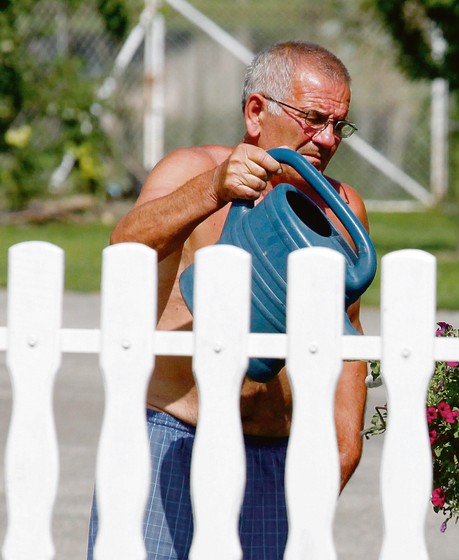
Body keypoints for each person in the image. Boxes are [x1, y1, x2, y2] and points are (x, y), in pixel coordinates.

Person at [87, 40, 369, 559]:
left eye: (338, 125)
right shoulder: (191, 168)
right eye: (313, 119)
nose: (327, 140)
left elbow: (347, 336)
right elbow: (125, 248)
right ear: (257, 111)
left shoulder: (343, 208)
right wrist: (212, 190)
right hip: (168, 438)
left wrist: (344, 444)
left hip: (274, 454)